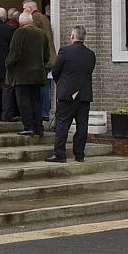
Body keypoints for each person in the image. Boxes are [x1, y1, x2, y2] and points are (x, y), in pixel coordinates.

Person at [48, 25, 96, 163]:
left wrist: (62, 84)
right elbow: (89, 71)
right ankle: (79, 154)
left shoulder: (65, 51)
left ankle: (60, 154)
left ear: (72, 36)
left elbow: (56, 71)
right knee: (82, 125)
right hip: (85, 94)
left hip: (67, 94)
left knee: (62, 124)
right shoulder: (90, 54)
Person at [5, 11, 53, 136]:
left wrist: (8, 64)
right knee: (36, 101)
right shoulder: (41, 34)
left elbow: (14, 54)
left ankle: (28, 126)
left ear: (21, 22)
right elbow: (47, 55)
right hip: (37, 74)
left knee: (24, 101)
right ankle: (38, 127)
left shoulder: (19, 33)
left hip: (22, 75)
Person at [26, 0, 56, 123]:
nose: (24, 11)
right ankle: (45, 112)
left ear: (30, 8)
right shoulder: (44, 18)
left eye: (24, 8)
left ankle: (43, 113)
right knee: (46, 86)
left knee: (42, 88)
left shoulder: (35, 18)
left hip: (42, 59)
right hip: (50, 57)